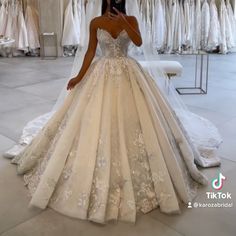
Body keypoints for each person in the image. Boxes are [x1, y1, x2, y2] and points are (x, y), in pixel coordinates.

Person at [8, 0, 220, 224]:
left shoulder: (131, 20)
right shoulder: (96, 22)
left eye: (117, 0)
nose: (113, 3)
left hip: (129, 72)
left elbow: (138, 42)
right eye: (109, 0)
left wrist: (125, 24)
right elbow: (90, 51)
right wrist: (79, 77)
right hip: (102, 72)